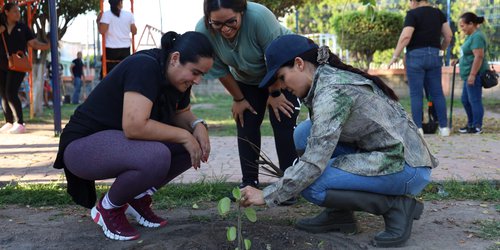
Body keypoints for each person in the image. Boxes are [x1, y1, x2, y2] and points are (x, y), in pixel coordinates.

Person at [240, 34, 437, 248]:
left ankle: (396, 207)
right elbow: (319, 143)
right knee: (303, 134)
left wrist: (268, 195)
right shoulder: (324, 79)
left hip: (406, 166)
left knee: (311, 183)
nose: (280, 87)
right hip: (392, 154)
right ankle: (340, 214)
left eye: (281, 77)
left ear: (298, 64)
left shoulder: (330, 93)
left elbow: (313, 164)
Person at [53, 31, 214, 241]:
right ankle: (108, 208)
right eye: (195, 72)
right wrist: (185, 135)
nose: (198, 80)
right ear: (175, 58)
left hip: (115, 143)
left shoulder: (178, 79)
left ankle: (137, 197)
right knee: (158, 155)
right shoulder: (145, 66)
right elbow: (135, 127)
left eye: (201, 74)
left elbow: (181, 113)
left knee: (194, 145)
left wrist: (197, 125)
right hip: (81, 148)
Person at [196, 0, 300, 192]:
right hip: (247, 78)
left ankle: (290, 184)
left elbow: (275, 57)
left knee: (283, 119)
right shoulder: (203, 31)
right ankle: (249, 182)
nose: (225, 29)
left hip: (283, 70)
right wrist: (239, 99)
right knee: (246, 121)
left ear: (241, 12)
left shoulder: (260, 17)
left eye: (231, 22)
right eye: (217, 24)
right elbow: (220, 69)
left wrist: (275, 92)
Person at [388, 0, 452, 137]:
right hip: (434, 55)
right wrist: (441, 50)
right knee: (437, 93)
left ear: (414, 1)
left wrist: (395, 56)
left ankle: (418, 128)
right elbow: (448, 35)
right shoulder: (438, 13)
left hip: (416, 56)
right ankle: (444, 128)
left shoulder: (412, 14)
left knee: (416, 94)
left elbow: (406, 36)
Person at [0, 3, 49, 134]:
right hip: (2, 64)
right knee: (4, 94)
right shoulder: (1, 27)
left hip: (18, 64)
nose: (18, 13)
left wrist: (48, 46)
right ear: (6, 12)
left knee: (11, 92)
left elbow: (33, 43)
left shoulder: (23, 27)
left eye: (18, 11)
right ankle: (9, 122)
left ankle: (20, 123)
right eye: (15, 11)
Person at [455, 12, 488, 134]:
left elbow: (478, 56)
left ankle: (477, 125)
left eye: (463, 25)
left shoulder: (477, 36)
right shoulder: (470, 36)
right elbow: (468, 53)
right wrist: (458, 60)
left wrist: (473, 75)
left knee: (474, 100)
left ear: (471, 24)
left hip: (474, 74)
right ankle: (471, 123)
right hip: (467, 74)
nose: (461, 28)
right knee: (465, 100)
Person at [97, 0, 137, 76]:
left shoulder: (107, 15)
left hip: (110, 49)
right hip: (125, 48)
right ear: (120, 3)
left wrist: (98, 21)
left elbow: (102, 31)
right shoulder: (129, 15)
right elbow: (134, 32)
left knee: (109, 74)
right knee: (125, 71)